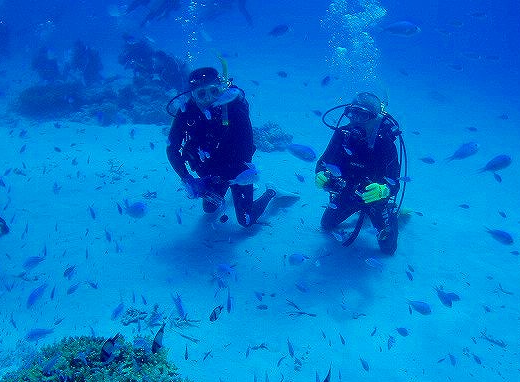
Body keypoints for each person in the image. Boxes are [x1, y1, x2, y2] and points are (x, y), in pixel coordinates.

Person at [166, 67, 286, 227]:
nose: (209, 98)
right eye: (201, 94)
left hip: (237, 168)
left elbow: (245, 154)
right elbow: (172, 148)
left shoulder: (235, 109)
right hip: (209, 169)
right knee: (209, 209)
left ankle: (271, 191)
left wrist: (229, 178)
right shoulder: (186, 112)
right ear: (193, 95)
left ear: (221, 89)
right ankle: (233, 190)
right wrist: (187, 178)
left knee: (246, 220)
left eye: (214, 91)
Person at [315, 92, 405, 255]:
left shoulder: (385, 143)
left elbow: (395, 183)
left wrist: (383, 190)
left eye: (362, 115)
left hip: (375, 200)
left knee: (388, 249)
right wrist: (321, 175)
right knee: (326, 224)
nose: (355, 120)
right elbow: (323, 163)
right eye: (352, 114)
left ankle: (390, 211)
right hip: (348, 192)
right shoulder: (342, 134)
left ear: (375, 118)